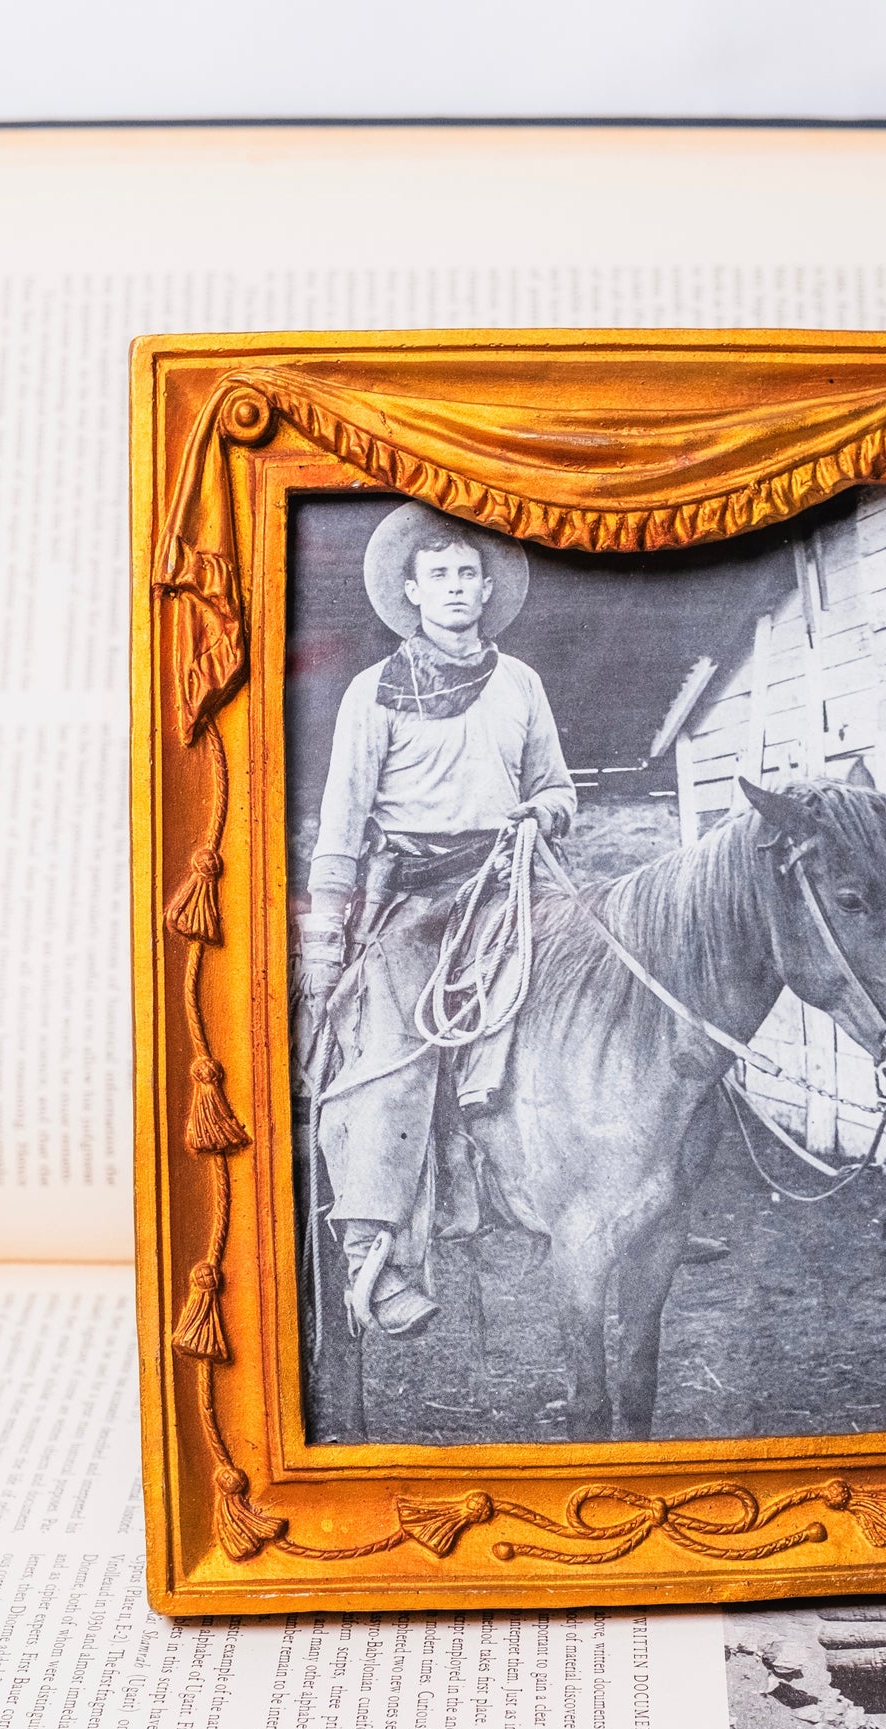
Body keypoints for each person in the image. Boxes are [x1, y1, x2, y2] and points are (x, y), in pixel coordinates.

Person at [298, 501, 576, 1338]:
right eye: (440, 576)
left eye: (468, 575)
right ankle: (380, 1264)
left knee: (592, 1003)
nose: (456, 589)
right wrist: (324, 945)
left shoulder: (520, 682)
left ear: (486, 591)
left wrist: (541, 815)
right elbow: (341, 825)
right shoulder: (371, 692)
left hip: (508, 883)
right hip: (412, 902)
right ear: (412, 592)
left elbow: (558, 788)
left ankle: (628, 1195)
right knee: (399, 1060)